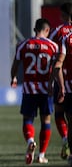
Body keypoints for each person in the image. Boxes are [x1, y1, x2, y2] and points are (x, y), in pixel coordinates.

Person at [10, 18, 58, 164]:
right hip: (46, 89)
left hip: (29, 89)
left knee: (27, 119)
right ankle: (41, 155)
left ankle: (30, 141)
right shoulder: (53, 46)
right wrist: (54, 84)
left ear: (34, 29)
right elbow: (57, 68)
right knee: (46, 121)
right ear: (47, 30)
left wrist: (13, 78)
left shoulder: (23, 45)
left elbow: (15, 64)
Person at [48, 2, 72, 159]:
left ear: (63, 14)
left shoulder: (59, 33)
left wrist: (51, 80)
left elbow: (52, 56)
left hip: (63, 80)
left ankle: (65, 139)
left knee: (59, 113)